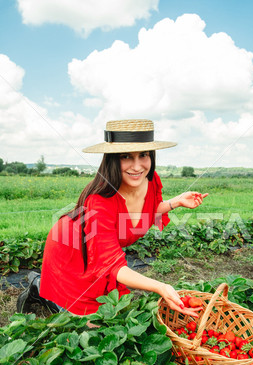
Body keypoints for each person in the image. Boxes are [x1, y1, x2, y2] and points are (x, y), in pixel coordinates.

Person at [18, 119, 208, 318]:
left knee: (109, 314)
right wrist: (161, 287)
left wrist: (176, 201)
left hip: (96, 247)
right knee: (87, 323)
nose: (137, 166)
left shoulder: (150, 180)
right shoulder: (100, 202)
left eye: (143, 155)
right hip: (71, 248)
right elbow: (112, 265)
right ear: (112, 159)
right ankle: (38, 287)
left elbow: (146, 210)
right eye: (126, 156)